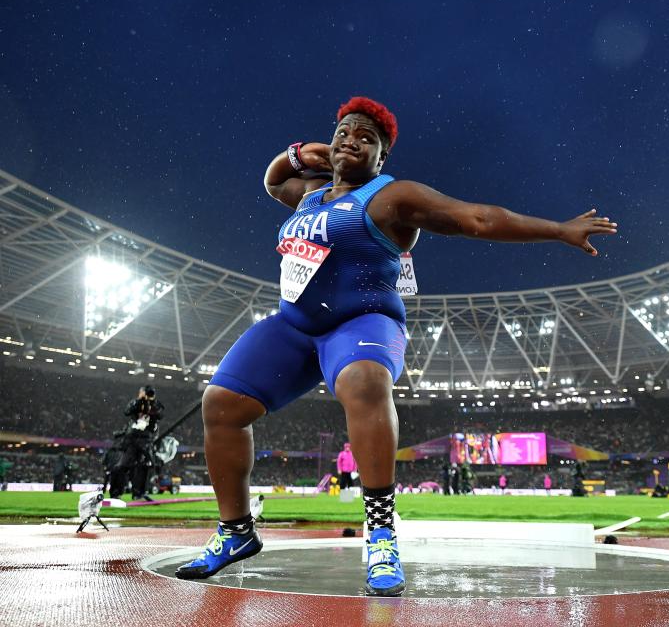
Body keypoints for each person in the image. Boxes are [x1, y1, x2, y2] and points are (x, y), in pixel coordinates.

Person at [174, 96, 616, 595]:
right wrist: (301, 153)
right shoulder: (311, 194)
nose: (351, 140)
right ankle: (236, 533)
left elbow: (478, 219)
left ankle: (381, 533)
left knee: (365, 381)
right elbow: (273, 181)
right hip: (295, 327)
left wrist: (559, 230)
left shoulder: (392, 197)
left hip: (364, 321)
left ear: (383, 158)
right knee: (221, 404)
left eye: (367, 137)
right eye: (344, 131)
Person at [110, 385, 164, 500]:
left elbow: (160, 415)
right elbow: (127, 411)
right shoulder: (136, 403)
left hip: (146, 439)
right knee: (123, 465)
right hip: (133, 438)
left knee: (144, 466)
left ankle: (139, 493)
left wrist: (151, 402)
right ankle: (116, 492)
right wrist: (140, 401)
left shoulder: (155, 404)